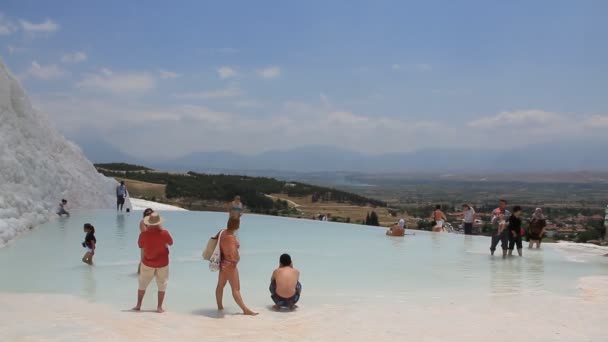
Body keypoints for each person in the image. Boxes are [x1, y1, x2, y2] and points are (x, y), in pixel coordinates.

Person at [215, 218, 258, 316]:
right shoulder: (231, 237)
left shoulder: (222, 232)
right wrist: (235, 260)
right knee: (235, 289)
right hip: (230, 264)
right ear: (237, 226)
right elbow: (232, 253)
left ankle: (220, 307)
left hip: (223, 263)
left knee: (220, 285)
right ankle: (245, 309)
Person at [132, 212, 173, 313]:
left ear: (148, 223)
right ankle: (159, 307)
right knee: (162, 284)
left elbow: (140, 245)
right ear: (159, 223)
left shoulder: (143, 234)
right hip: (162, 263)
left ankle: (138, 305)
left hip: (147, 262)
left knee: (142, 284)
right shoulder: (165, 233)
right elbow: (171, 243)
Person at [137, 208, 154, 274]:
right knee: (143, 259)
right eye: (147, 214)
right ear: (145, 215)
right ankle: (138, 274)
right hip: (144, 241)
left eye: (151, 213)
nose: (149, 215)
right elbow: (144, 232)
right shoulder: (143, 222)